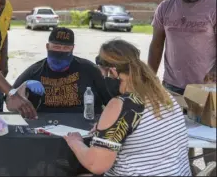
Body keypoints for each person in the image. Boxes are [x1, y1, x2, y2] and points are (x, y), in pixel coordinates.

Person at [63, 40, 191, 176]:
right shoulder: (162, 95)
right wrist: (107, 128)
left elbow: (96, 165)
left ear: (112, 71)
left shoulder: (121, 105)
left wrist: (75, 142)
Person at [11, 27, 119, 113]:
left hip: (84, 124)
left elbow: (112, 103)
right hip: (45, 126)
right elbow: (10, 103)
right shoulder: (35, 71)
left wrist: (113, 82)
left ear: (73, 48)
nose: (61, 52)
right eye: (56, 47)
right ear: (47, 46)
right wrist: (24, 85)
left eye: (66, 48)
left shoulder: (89, 69)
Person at [148, 0, 216, 95]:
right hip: (172, 85)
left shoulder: (214, 7)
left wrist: (215, 70)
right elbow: (156, 44)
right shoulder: (165, 7)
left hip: (205, 85)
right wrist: (150, 76)